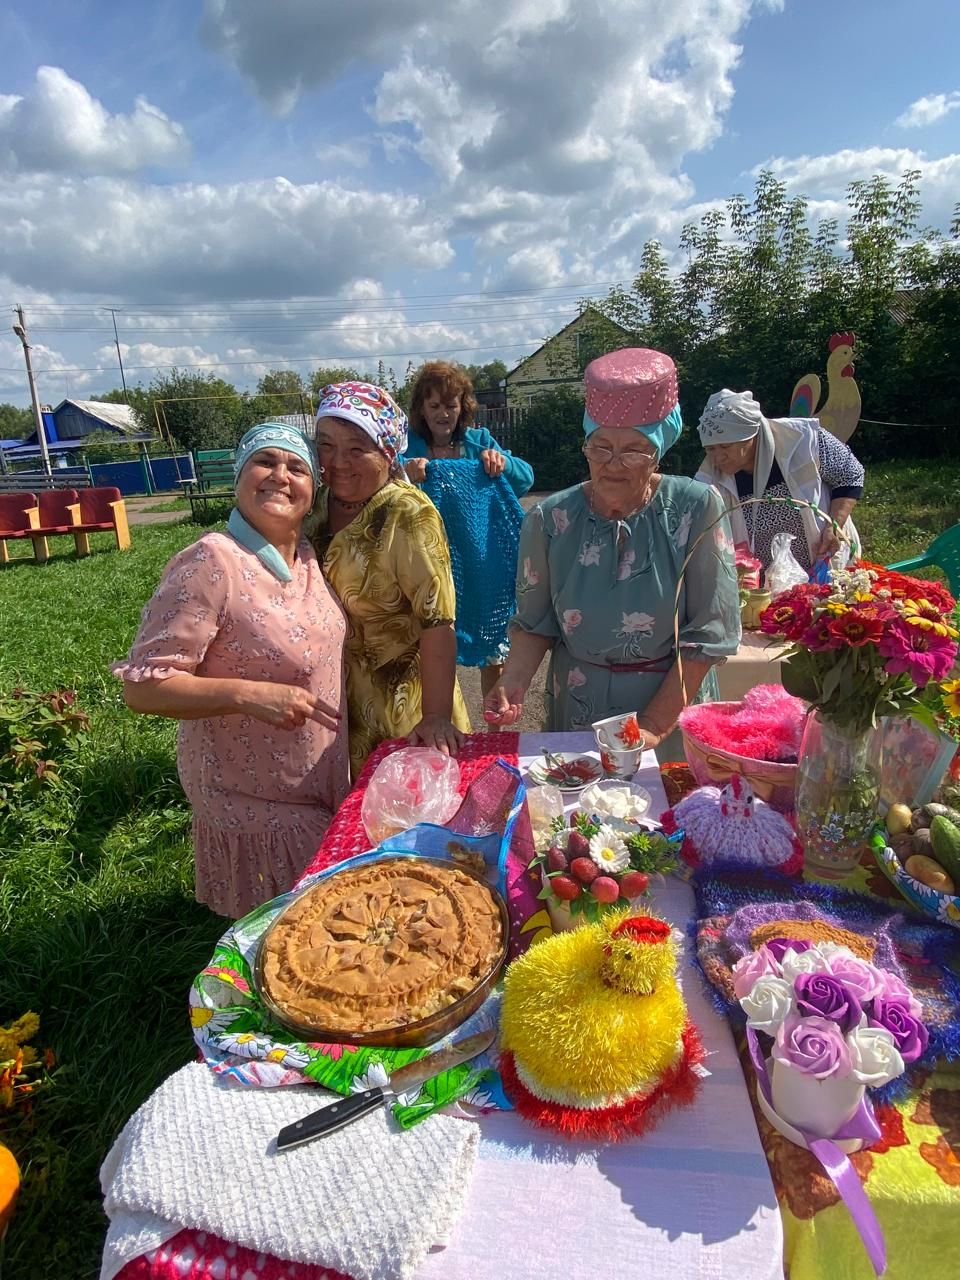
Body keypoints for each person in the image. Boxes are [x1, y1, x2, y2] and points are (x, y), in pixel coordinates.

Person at [112, 423, 350, 918]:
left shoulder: (306, 555)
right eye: (265, 462)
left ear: (314, 490)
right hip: (250, 792)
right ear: (239, 476)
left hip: (315, 778)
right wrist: (247, 694)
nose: (280, 476)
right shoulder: (211, 561)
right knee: (296, 935)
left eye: (297, 467)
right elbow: (145, 690)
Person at [482, 349, 741, 746]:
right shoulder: (550, 520)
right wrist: (512, 681)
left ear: (659, 452)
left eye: (634, 450)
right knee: (581, 807)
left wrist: (653, 725)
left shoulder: (695, 508)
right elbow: (535, 623)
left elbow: (710, 632)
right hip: (578, 707)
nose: (613, 464)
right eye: (600, 447)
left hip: (670, 710)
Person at [312, 380, 470, 774]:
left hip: (407, 711)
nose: (338, 461)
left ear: (386, 452)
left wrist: (435, 717)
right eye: (326, 445)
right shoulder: (315, 503)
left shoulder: (407, 513)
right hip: (337, 708)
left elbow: (437, 619)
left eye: (355, 448)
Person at [403, 361, 534, 697]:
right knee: (434, 645)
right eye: (434, 406)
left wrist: (501, 463)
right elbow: (386, 486)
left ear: (463, 407)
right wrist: (405, 472)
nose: (443, 413)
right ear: (421, 408)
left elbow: (525, 478)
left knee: (492, 647)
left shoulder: (479, 441)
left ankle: (494, 729)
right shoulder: (409, 447)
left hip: (480, 558)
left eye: (451, 405)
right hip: (429, 560)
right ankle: (444, 723)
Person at [695, 389, 864, 575]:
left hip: (825, 560)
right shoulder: (709, 477)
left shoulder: (804, 439)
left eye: (726, 446)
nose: (718, 457)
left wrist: (834, 526)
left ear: (752, 437)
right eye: (710, 449)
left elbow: (849, 474)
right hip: (768, 581)